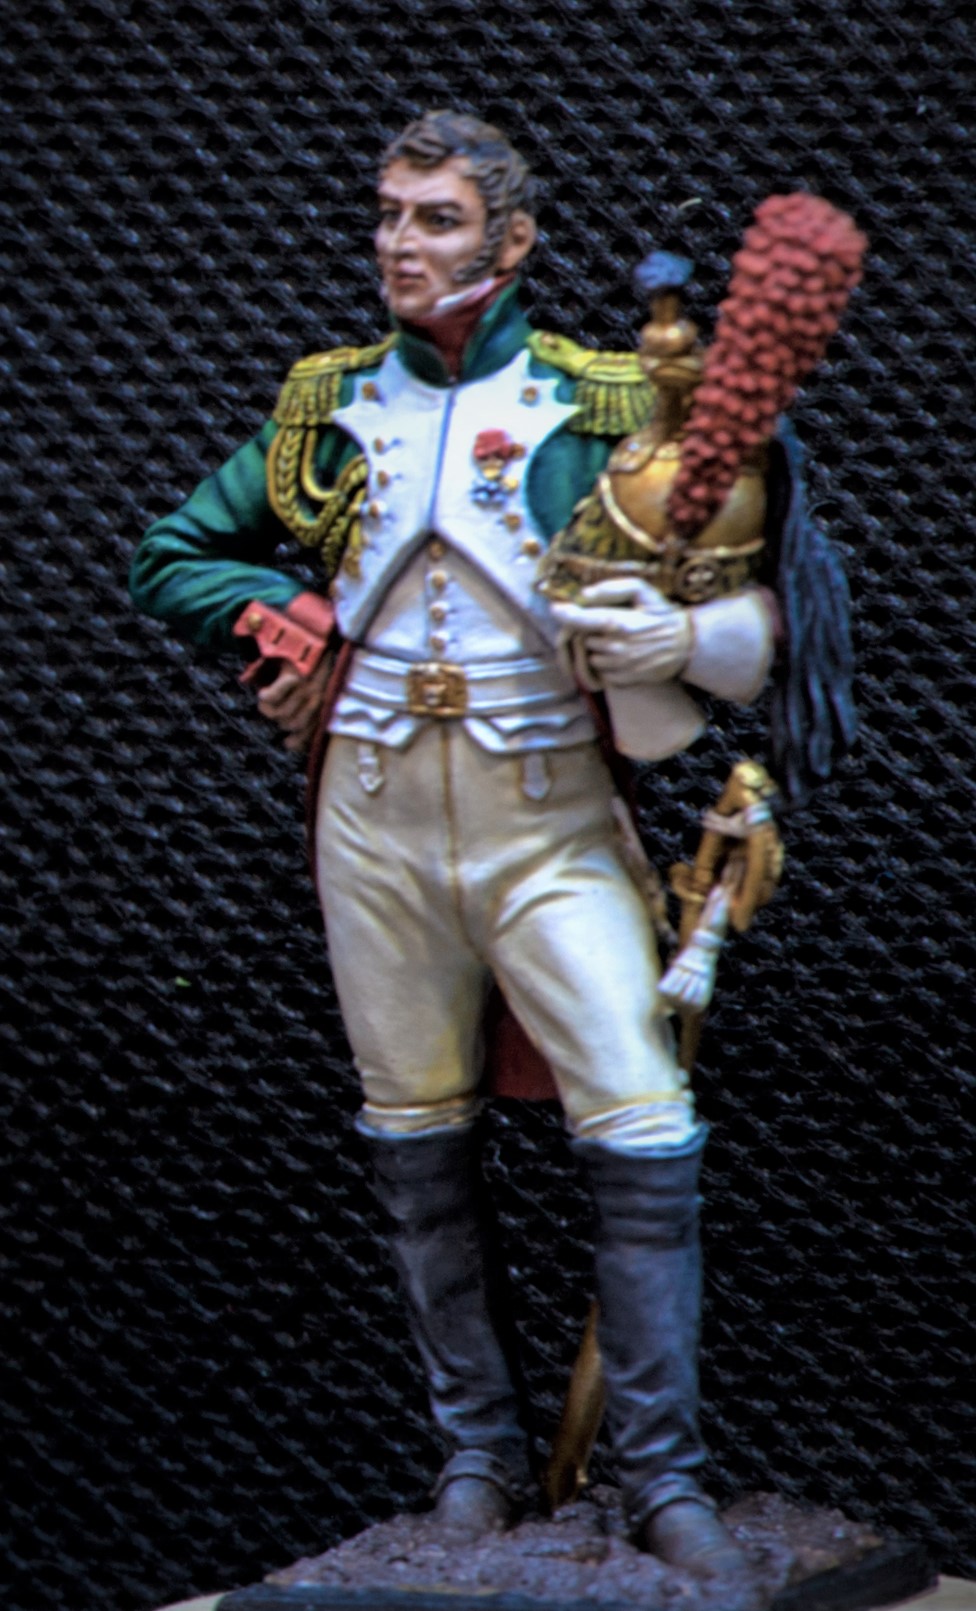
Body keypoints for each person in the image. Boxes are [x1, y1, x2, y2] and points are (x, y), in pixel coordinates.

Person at [130, 110, 785, 1583]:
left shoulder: (609, 403)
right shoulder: (328, 404)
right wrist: (291, 624)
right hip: (370, 817)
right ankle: (477, 1458)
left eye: (433, 218)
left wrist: (674, 639)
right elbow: (172, 554)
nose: (399, 243)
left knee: (639, 1115)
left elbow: (760, 618)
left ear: (513, 238)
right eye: (388, 214)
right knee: (412, 1126)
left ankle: (663, 1477)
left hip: (545, 817)